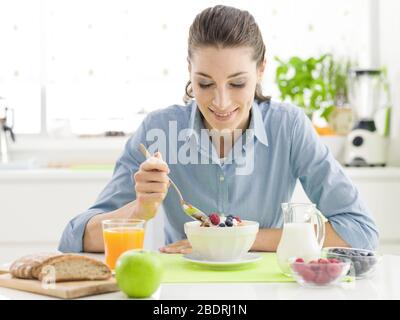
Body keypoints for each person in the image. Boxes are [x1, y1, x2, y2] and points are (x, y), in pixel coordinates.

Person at [59, 5, 379, 254]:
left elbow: (360, 232)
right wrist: (138, 210)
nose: (221, 102)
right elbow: (76, 238)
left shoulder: (289, 127)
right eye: (205, 83)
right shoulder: (158, 131)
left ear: (261, 69)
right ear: (189, 71)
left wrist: (238, 239)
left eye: (238, 83)